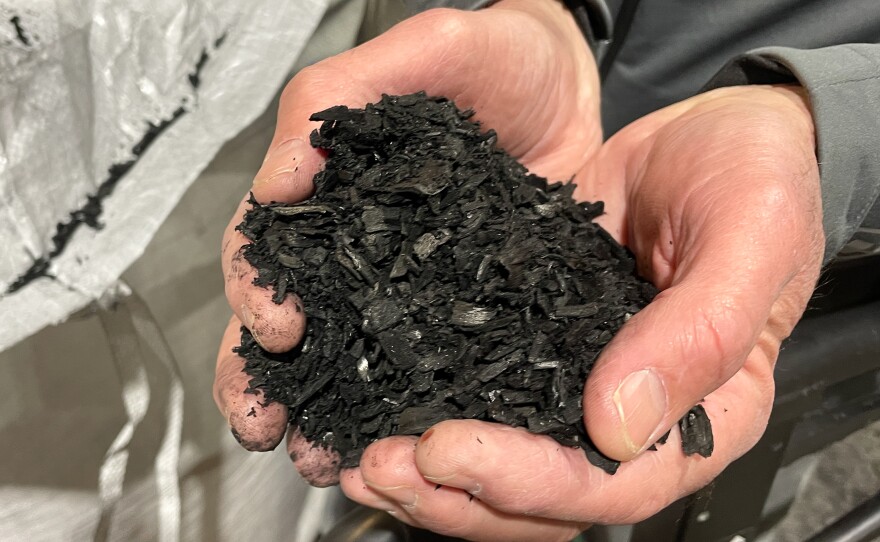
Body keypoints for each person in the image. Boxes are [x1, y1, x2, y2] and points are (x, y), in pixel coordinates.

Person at [214, 1, 880, 540]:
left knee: (725, 490)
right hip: (582, 130)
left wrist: (830, 127)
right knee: (423, 479)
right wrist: (553, 13)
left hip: (805, 252)